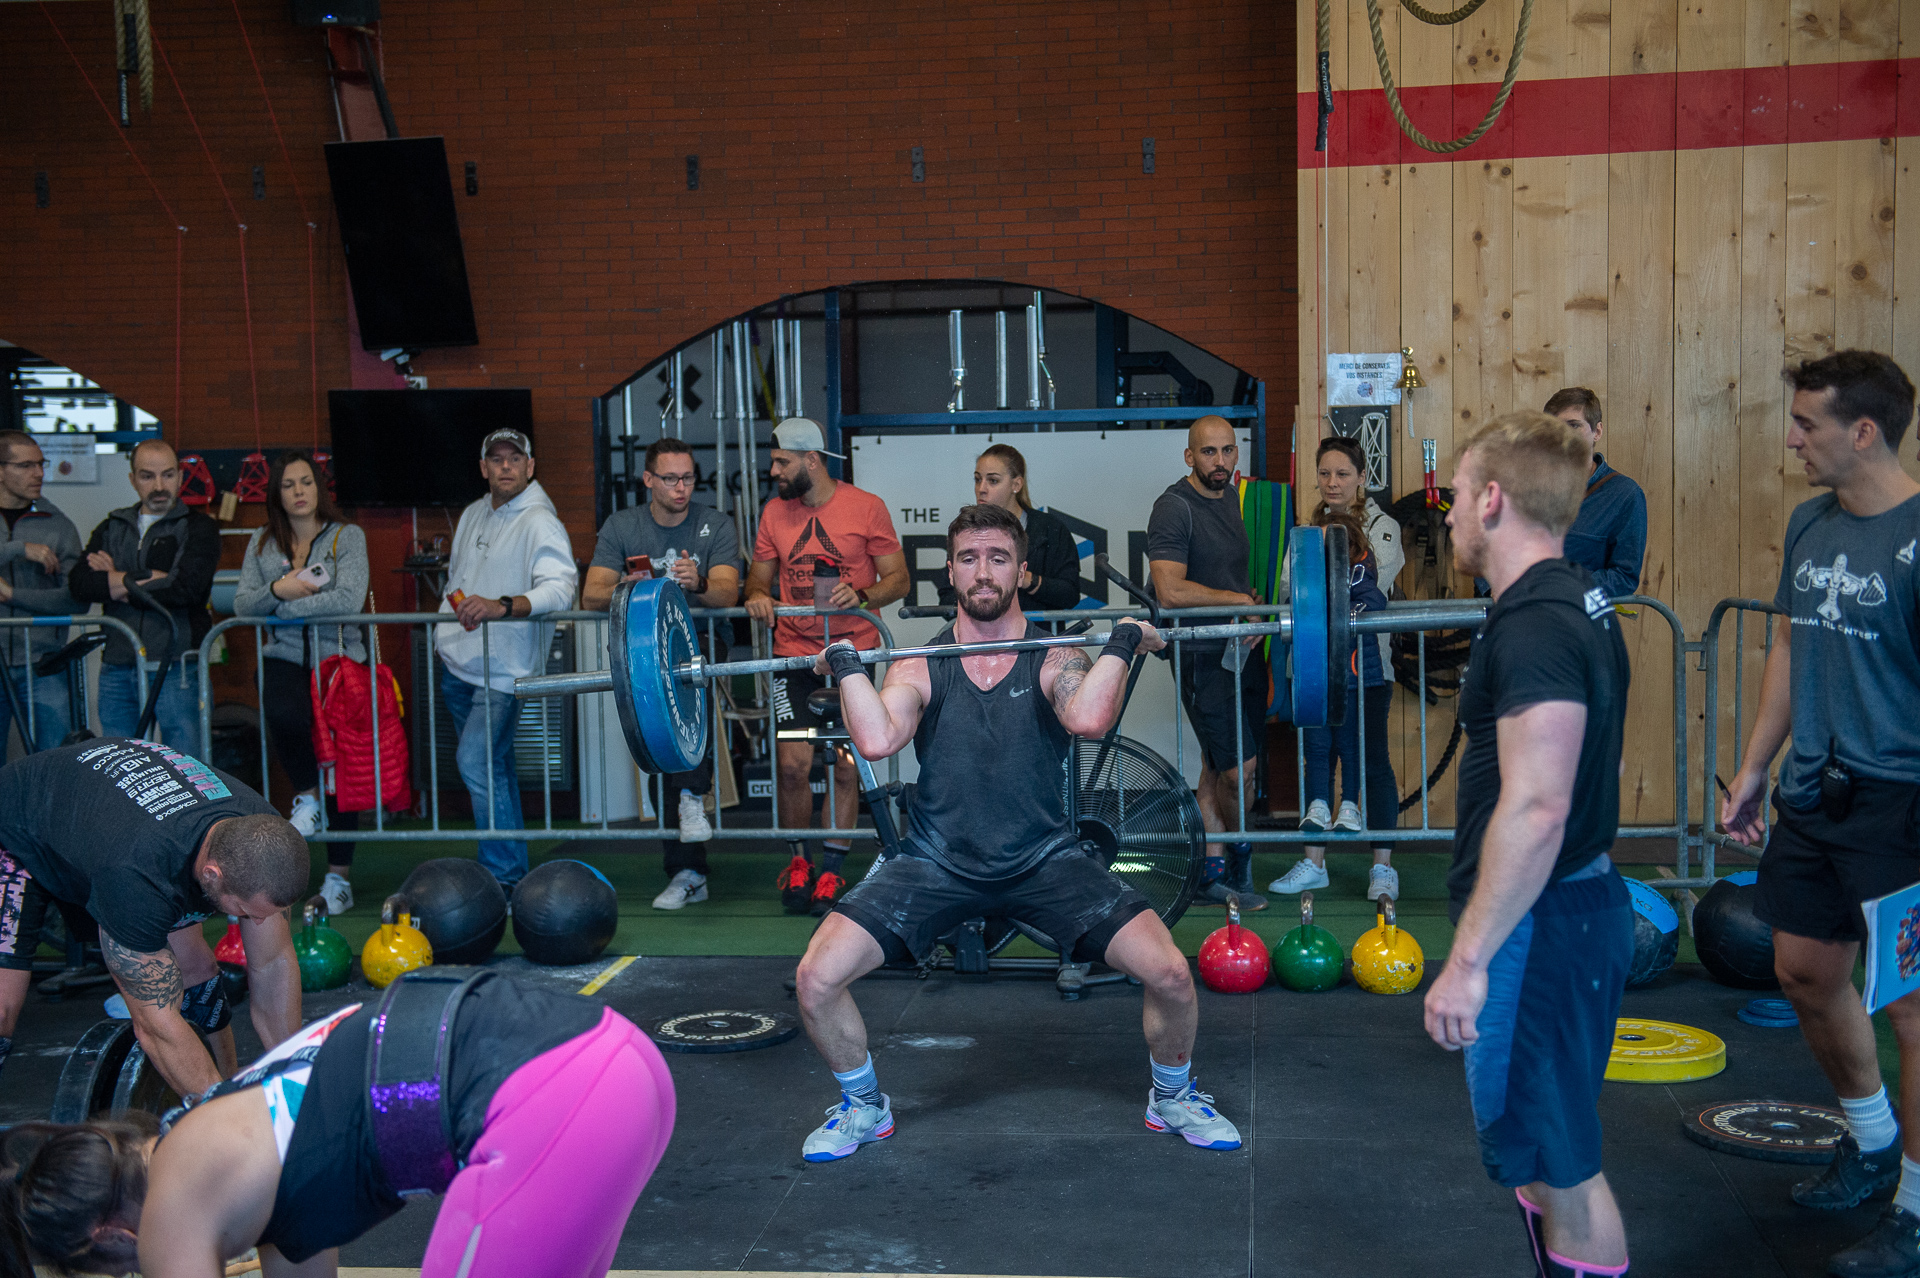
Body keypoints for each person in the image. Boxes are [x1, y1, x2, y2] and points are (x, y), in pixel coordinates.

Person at [794, 504, 1241, 1161]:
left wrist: (1121, 640)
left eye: (998, 558)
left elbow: (1088, 719)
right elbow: (879, 737)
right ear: (951, 572)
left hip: (1044, 859)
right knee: (815, 978)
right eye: (969, 559)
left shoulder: (1053, 656)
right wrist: (846, 665)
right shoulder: (920, 664)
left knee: (1172, 974)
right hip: (935, 860)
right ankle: (863, 1106)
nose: (983, 572)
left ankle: (1172, 1096)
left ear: (1022, 572)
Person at [0, 971, 676, 1278]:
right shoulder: (239, 1142)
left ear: (110, 1235)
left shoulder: (171, 1201)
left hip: (553, 1099)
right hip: (624, 1062)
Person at [1720, 350, 1920, 1277]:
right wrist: (1755, 766)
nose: (1792, 439)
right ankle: (1873, 1141)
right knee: (1803, 970)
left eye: (1808, 424)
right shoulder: (1810, 523)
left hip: (1902, 804)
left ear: (1864, 432)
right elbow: (1791, 647)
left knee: (1910, 1010)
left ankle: (1915, 1209)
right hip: (1815, 793)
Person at [1423, 411, 1634, 1278]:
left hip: (1542, 925)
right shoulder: (1577, 598)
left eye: (1458, 494)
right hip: (1564, 911)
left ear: (1494, 500)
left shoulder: (1536, 624)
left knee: (1562, 1169)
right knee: (1544, 1158)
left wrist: (1468, 961)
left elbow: (1541, 807)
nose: (1449, 514)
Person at [0, 738, 308, 1096]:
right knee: (4, 1007)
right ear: (212, 874)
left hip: (121, 826)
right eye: (244, 912)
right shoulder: (136, 878)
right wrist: (224, 1116)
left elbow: (272, 964)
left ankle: (229, 1082)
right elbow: (155, 1027)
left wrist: (298, 1084)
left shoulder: (263, 841)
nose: (257, 923)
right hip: (16, 826)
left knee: (196, 970)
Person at [743, 417, 909, 916]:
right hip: (792, 655)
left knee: (844, 766)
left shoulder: (866, 507)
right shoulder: (774, 512)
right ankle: (799, 864)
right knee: (792, 767)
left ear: (811, 460)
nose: (774, 470)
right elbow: (757, 580)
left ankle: (833, 869)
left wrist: (862, 594)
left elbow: (899, 580)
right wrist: (757, 596)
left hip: (851, 655)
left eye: (782, 461)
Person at [584, 437, 743, 910]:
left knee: (684, 719)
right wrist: (625, 585)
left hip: (698, 643)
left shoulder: (716, 523)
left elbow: (728, 594)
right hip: (640, 649)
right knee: (658, 748)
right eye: (670, 478)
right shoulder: (623, 525)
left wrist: (699, 582)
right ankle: (687, 867)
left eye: (688, 478)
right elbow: (590, 595)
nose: (681, 487)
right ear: (648, 479)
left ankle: (692, 804)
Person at [437, 429, 577, 893]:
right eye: (496, 459)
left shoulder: (541, 520)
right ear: (484, 468)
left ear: (530, 466)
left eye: (515, 458)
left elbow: (561, 590)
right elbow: (456, 578)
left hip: (504, 671)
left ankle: (502, 876)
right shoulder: (473, 513)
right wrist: (444, 632)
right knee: (492, 767)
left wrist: (502, 606)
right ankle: (510, 872)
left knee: (476, 763)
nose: (505, 466)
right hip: (458, 662)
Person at [231, 451, 370, 917]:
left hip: (339, 662)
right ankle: (306, 795)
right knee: (284, 715)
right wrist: (276, 589)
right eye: (288, 484)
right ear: (277, 493)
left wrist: (284, 606)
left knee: (341, 771)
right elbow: (242, 604)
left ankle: (339, 880)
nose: (298, 491)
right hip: (284, 658)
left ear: (319, 487)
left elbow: (349, 598)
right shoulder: (261, 541)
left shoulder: (347, 536)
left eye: (306, 481)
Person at [1269, 436, 1405, 902]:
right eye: (1325, 473)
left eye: (1343, 474)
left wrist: (1321, 592)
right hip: (1311, 664)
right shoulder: (1305, 530)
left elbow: (1373, 586)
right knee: (1318, 759)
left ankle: (1382, 867)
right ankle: (1314, 863)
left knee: (1374, 762)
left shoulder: (1383, 526)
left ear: (1362, 478)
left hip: (1368, 667)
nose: (1332, 482)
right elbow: (1288, 588)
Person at [1146, 415, 1266, 910]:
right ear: (1189, 456)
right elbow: (1170, 592)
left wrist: (1250, 605)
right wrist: (1238, 601)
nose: (1220, 461)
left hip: (1240, 649)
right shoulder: (1174, 507)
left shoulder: (1232, 497)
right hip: (1200, 655)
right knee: (1239, 771)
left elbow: (1229, 577)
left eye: (1228, 450)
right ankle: (1240, 861)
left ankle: (1207, 873)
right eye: (1209, 452)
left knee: (1217, 766)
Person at [69, 439, 220, 754]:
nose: (159, 486)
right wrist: (146, 580)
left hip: (178, 664)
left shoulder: (200, 527)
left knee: (187, 764)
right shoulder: (112, 526)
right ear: (132, 479)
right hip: (118, 663)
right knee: (121, 764)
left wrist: (115, 578)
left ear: (180, 476)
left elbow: (187, 589)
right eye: (147, 476)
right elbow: (81, 583)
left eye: (167, 475)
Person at [0, 430, 83, 751]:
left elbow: (75, 598)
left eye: (41, 464)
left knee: (53, 761)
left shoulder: (59, 525)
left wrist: (13, 595)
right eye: (25, 466)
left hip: (42, 666)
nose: (38, 473)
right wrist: (18, 549)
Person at [936, 442, 1082, 613]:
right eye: (977, 479)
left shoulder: (1050, 529)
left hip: (1037, 630)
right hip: (979, 631)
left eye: (993, 481)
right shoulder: (965, 531)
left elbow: (1070, 594)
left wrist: (1024, 578)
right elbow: (947, 598)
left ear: (1016, 485)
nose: (981, 489)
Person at [1543, 388, 1647, 599]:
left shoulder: (1625, 494)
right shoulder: (1526, 485)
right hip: (1518, 608)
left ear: (1597, 431)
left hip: (1578, 612)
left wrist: (1563, 588)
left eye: (1574, 425)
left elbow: (1624, 576)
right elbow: (1492, 546)